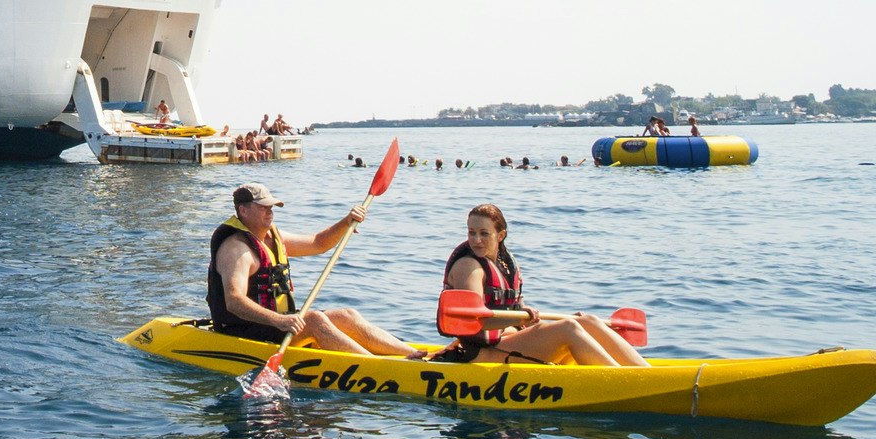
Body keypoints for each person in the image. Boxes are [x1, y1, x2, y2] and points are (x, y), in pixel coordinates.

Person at [208, 181, 423, 358]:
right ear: (243, 210)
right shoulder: (236, 248)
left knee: (347, 315)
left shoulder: (272, 237)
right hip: (242, 329)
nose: (270, 212)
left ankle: (415, 354)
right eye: (263, 207)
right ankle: (377, 366)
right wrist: (280, 321)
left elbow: (318, 243)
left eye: (271, 207)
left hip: (274, 324)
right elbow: (234, 300)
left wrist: (346, 222)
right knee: (314, 320)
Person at [438, 203, 648, 368]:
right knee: (568, 328)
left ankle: (643, 372)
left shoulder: (504, 264)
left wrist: (526, 319)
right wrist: (524, 316)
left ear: (500, 236)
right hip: (480, 355)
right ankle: (625, 380)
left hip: (505, 340)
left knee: (587, 320)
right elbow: (476, 321)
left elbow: (510, 316)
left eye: (484, 233)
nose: (476, 240)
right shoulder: (469, 265)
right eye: (471, 232)